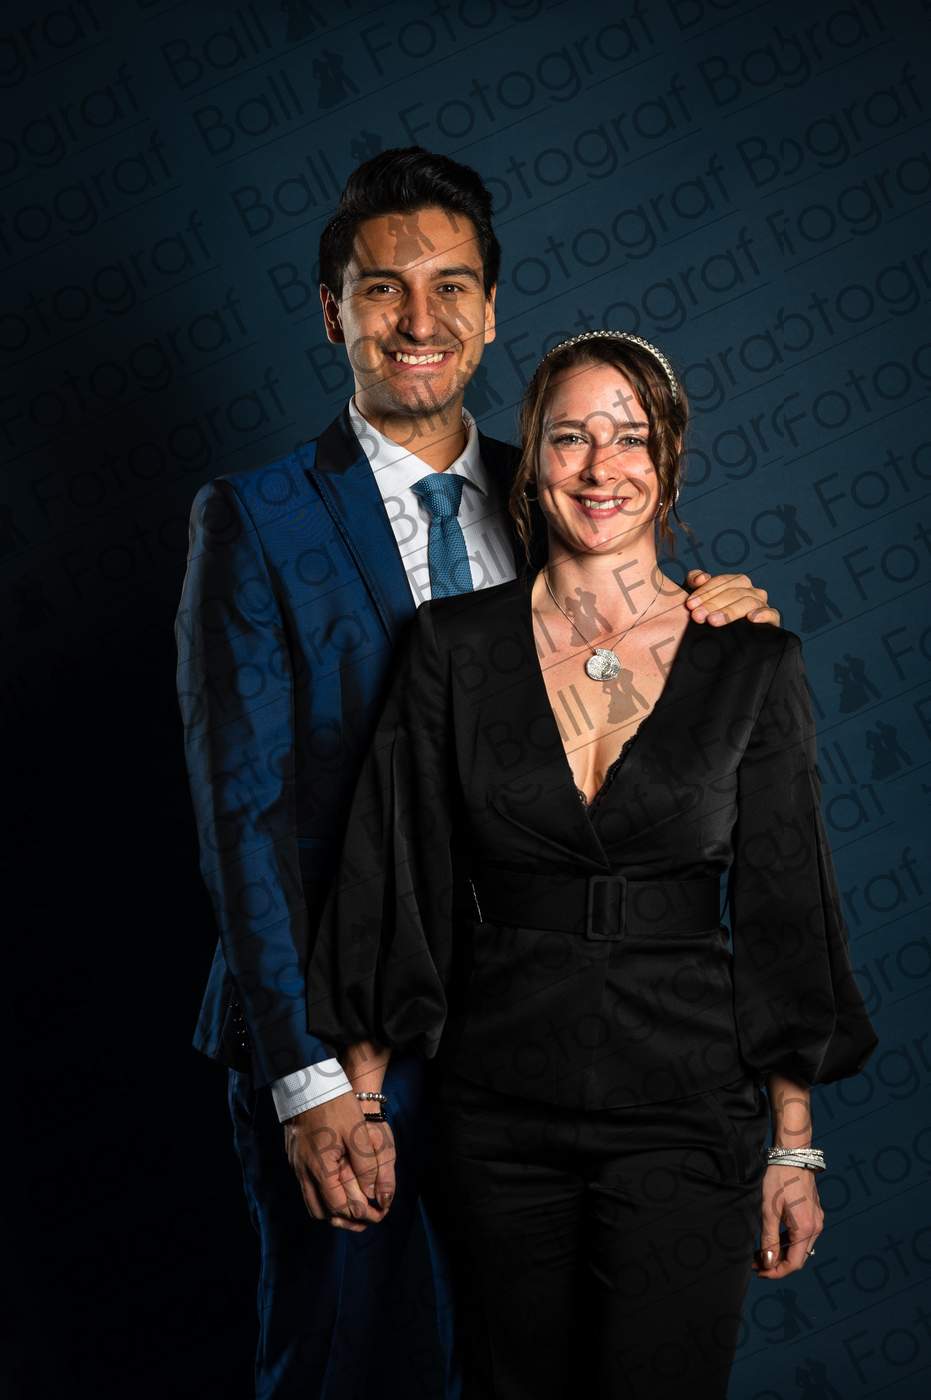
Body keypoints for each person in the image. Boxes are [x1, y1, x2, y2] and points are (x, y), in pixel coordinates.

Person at [175, 147, 781, 1400]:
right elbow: (244, 810)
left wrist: (720, 615)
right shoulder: (255, 517)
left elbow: (651, 716)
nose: (419, 319)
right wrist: (308, 1076)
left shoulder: (558, 487)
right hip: (344, 1039)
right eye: (382, 288)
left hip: (533, 1039)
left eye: (450, 285)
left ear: (492, 310)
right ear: (331, 310)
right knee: (351, 1364)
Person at [305, 330, 879, 1400]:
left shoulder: (751, 659)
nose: (599, 466)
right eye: (569, 437)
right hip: (495, 1112)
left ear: (669, 460)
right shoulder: (450, 647)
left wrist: (793, 1146)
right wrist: (366, 1103)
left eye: (630, 437)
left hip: (686, 1111)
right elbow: (394, 873)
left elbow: (786, 907)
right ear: (532, 458)